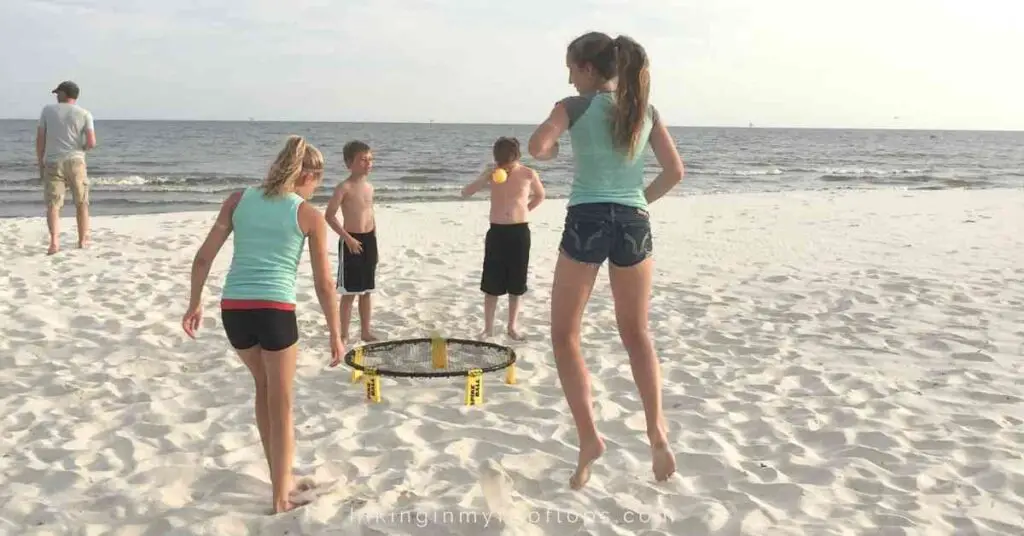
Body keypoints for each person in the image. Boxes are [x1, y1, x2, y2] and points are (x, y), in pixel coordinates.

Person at [527, 32, 685, 489]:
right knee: (637, 333)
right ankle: (656, 430)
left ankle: (589, 437)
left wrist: (555, 147)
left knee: (565, 335)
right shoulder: (645, 111)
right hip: (633, 220)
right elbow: (675, 172)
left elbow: (537, 147)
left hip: (588, 218)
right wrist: (639, 201)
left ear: (590, 70)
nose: (570, 77)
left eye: (572, 69)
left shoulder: (575, 107)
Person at [181, 135, 344, 514]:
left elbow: (204, 258)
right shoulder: (307, 214)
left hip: (234, 310)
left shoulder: (238, 200)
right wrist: (335, 333)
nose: (317, 187)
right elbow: (323, 283)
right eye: (318, 179)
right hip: (274, 311)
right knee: (282, 401)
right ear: (308, 174)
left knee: (264, 387)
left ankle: (279, 477)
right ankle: (279, 497)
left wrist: (194, 303)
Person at [460, 136, 545, 339]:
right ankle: (488, 328)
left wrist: (525, 211)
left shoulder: (528, 173)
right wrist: (485, 177)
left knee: (516, 284)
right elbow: (465, 193)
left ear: (516, 156)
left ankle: (512, 327)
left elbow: (540, 195)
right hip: (497, 231)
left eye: (507, 161)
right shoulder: (493, 173)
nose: (504, 165)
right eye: (500, 161)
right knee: (492, 283)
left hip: (519, 231)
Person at [325, 140, 379, 343]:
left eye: (370, 159)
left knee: (367, 291)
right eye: (363, 160)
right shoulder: (344, 187)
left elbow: (370, 213)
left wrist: (373, 236)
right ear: (349, 163)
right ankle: (344, 334)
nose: (368, 163)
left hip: (369, 240)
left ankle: (365, 331)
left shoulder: (370, 187)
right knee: (349, 292)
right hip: (350, 241)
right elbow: (329, 215)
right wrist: (347, 238)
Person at [36, 81, 96, 255]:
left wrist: (40, 160)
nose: (56, 96)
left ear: (63, 94)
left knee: (53, 204)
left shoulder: (47, 111)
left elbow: (41, 139)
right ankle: (83, 239)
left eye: (57, 93)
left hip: (54, 161)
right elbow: (92, 142)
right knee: (82, 202)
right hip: (76, 160)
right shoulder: (85, 114)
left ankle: (54, 242)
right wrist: (81, 149)